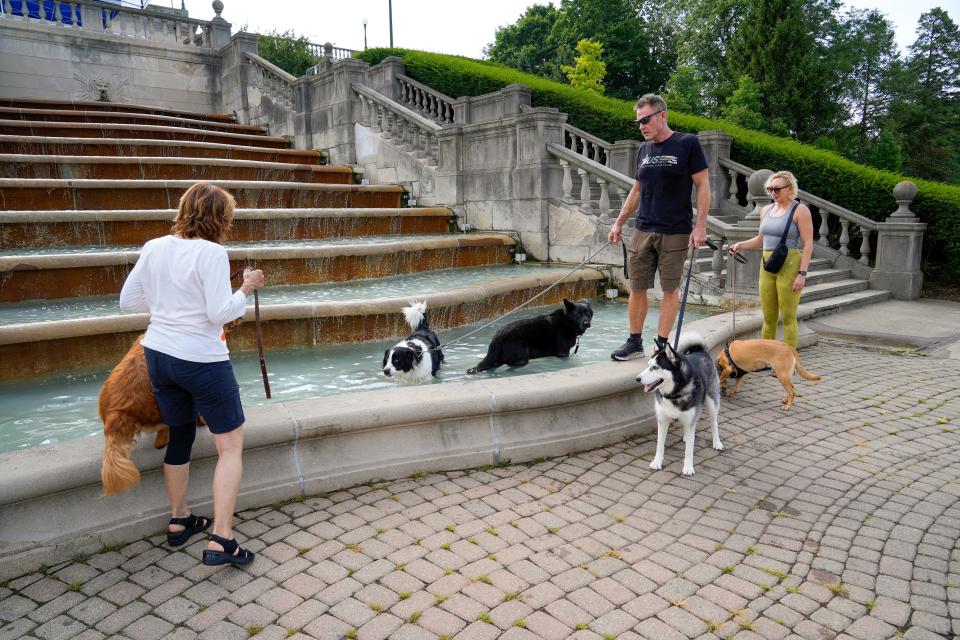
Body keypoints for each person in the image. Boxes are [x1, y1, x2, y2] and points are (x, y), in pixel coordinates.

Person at [119, 182, 265, 566]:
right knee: (230, 447)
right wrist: (246, 288)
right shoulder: (213, 253)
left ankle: (180, 520)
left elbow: (127, 301)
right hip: (201, 360)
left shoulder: (154, 246)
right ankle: (222, 540)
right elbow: (221, 313)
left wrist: (171, 302)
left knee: (180, 433)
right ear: (221, 218)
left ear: (184, 209)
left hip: (159, 356)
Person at [607, 94, 710, 360]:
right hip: (643, 228)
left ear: (662, 115)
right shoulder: (644, 150)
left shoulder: (687, 143)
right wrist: (619, 222)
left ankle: (662, 346)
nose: (641, 126)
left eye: (646, 120)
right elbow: (636, 190)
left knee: (669, 289)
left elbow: (703, 185)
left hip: (675, 230)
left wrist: (700, 226)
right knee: (638, 287)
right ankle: (634, 342)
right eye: (638, 122)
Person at [729, 170, 814, 347]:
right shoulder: (766, 210)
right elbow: (761, 240)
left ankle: (789, 360)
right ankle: (767, 358)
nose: (773, 193)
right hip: (767, 264)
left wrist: (802, 274)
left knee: (789, 317)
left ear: (790, 188)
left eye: (777, 189)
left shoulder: (800, 210)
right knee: (768, 317)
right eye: (770, 189)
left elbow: (808, 245)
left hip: (790, 263)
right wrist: (740, 245)